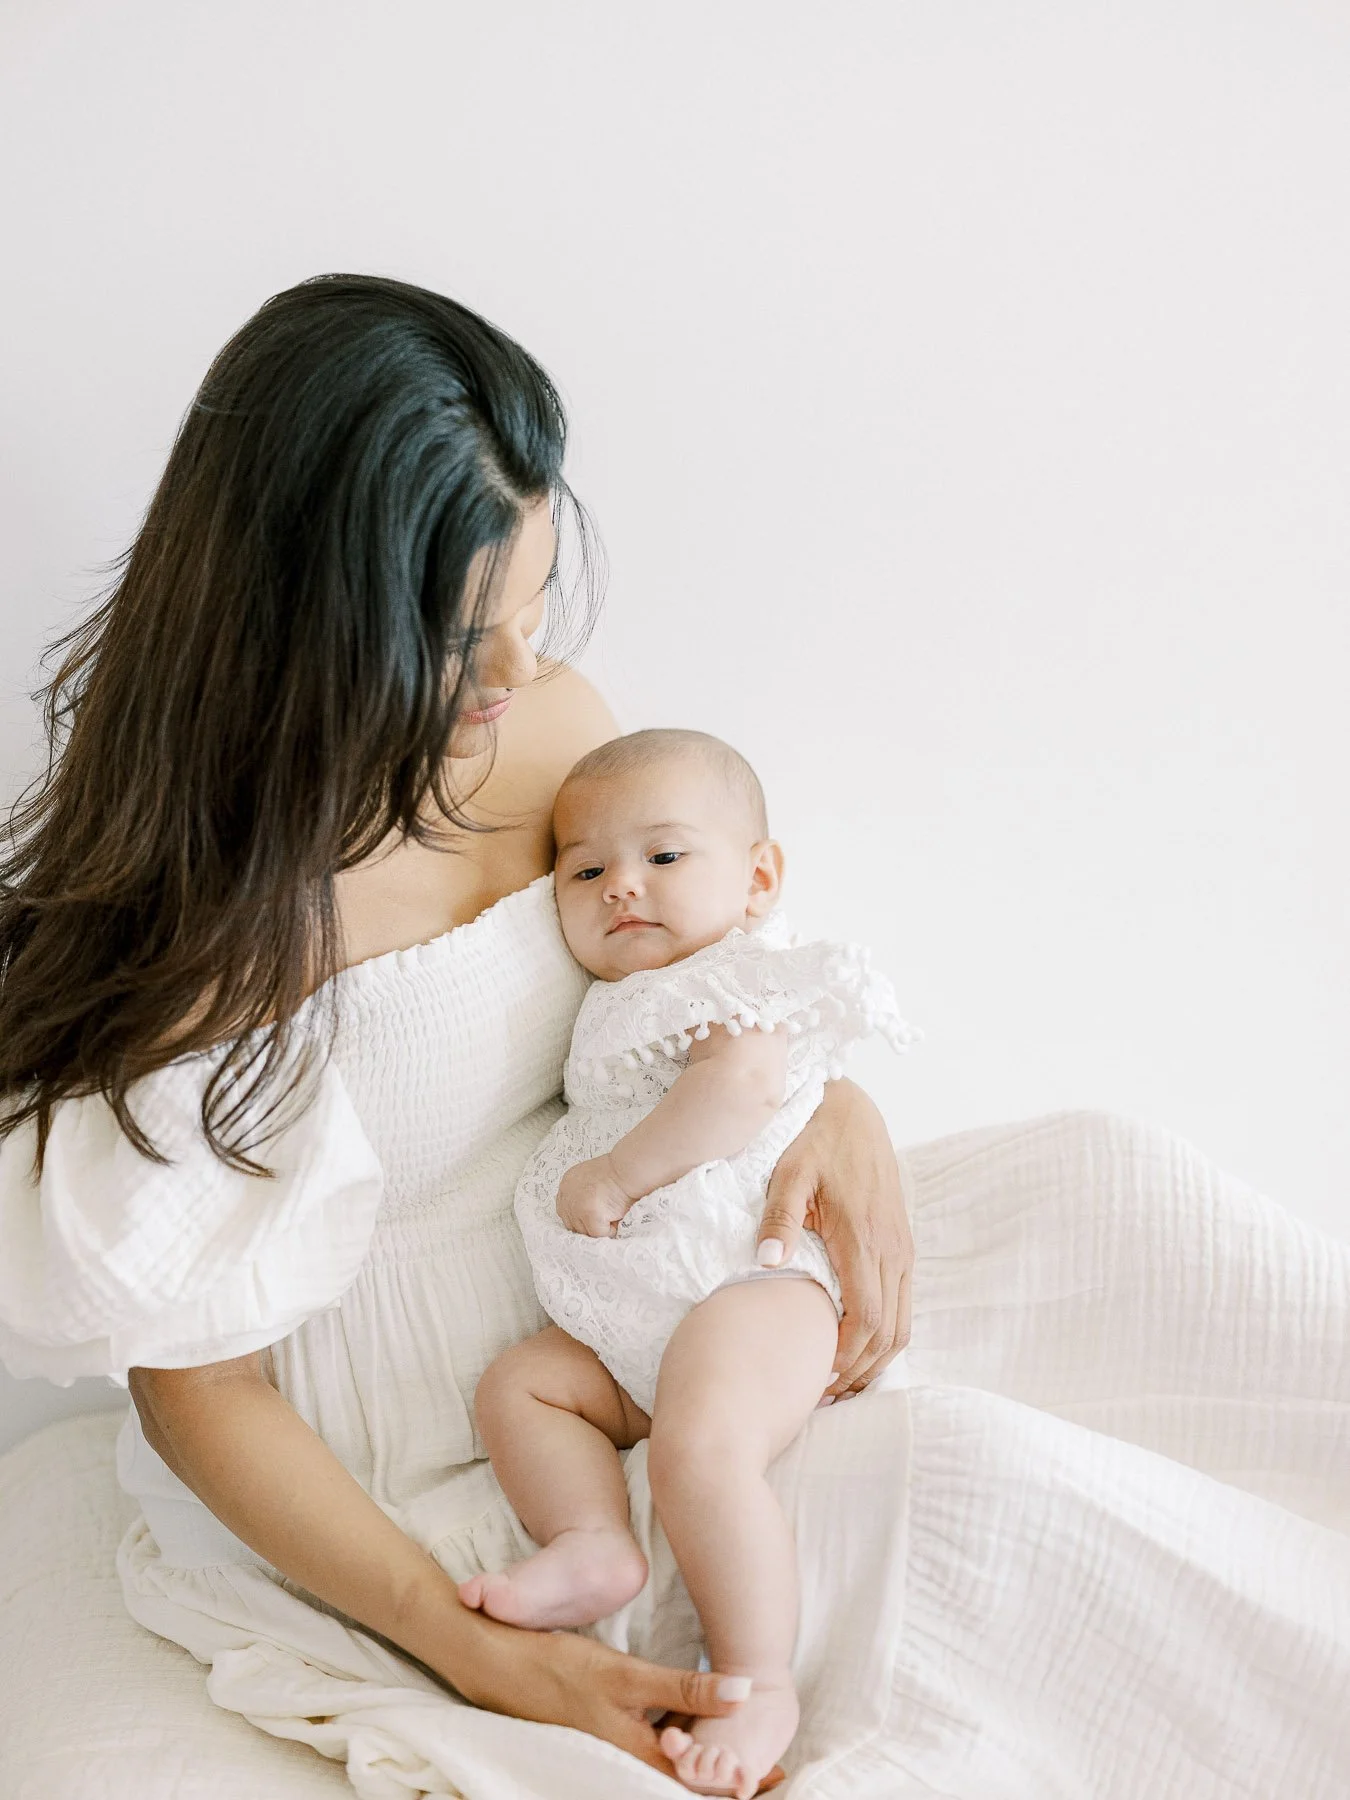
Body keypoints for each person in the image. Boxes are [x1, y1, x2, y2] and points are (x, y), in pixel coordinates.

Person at [0, 275, 1347, 1800]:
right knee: (967, 1487)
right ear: (308, 613)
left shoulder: (546, 730)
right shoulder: (204, 937)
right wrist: (475, 1649)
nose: (516, 683)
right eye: (462, 641)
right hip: (453, 1443)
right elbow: (202, 1391)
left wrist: (821, 1094)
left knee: (1108, 1184)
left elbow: (697, 946)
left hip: (655, 1256)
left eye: (530, 614)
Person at [462, 727, 917, 1798]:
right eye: (586, 870)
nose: (622, 886)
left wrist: (617, 1177)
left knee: (699, 1452)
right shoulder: (618, 1002)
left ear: (757, 880)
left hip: (749, 1282)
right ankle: (590, 1543)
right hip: (640, 1320)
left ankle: (758, 1678)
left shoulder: (734, 978)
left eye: (664, 858)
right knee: (522, 1386)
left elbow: (748, 1082)